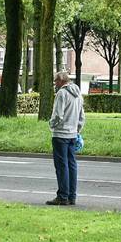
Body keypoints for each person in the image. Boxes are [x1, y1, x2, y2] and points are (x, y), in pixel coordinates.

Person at [47, 71, 85, 206]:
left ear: (61, 80)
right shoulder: (78, 94)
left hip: (60, 134)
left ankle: (62, 196)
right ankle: (71, 196)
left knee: (61, 166)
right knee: (72, 165)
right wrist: (77, 130)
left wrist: (51, 125)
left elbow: (58, 115)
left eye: (55, 81)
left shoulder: (62, 94)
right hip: (73, 134)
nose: (55, 84)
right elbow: (81, 117)